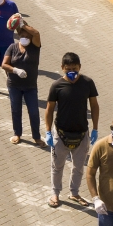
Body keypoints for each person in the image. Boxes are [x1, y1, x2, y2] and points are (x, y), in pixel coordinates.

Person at [45, 52, 99, 208]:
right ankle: (55, 193)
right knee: (57, 166)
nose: (72, 72)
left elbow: (94, 106)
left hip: (82, 134)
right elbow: (49, 109)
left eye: (75, 68)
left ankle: (74, 192)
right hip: (61, 134)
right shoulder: (57, 86)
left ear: (80, 67)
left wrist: (95, 128)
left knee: (79, 167)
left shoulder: (88, 83)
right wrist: (48, 131)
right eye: (68, 68)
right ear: (62, 68)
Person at [1, 17, 45, 146]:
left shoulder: (35, 47)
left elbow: (36, 33)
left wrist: (22, 24)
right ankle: (17, 133)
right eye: (22, 35)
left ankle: (36, 136)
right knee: (16, 110)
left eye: (27, 36)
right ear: (18, 35)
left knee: (33, 111)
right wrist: (15, 70)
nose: (25, 37)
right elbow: (4, 64)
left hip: (30, 86)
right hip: (14, 85)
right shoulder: (12, 47)